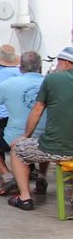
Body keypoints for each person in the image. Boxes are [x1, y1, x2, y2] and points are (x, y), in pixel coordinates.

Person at [7, 47, 73, 211]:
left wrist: (25, 135)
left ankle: (24, 197)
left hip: (58, 147)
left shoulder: (53, 79)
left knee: (18, 149)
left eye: (58, 61)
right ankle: (49, 183)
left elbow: (37, 111)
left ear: (65, 62)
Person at [0, 51, 46, 195]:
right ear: (40, 67)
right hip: (46, 138)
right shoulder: (49, 83)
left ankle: (8, 176)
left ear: (20, 67)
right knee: (41, 143)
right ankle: (42, 176)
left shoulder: (9, 84)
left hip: (14, 137)